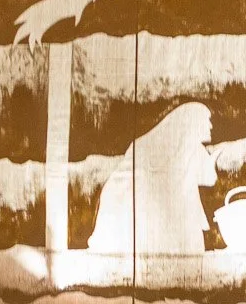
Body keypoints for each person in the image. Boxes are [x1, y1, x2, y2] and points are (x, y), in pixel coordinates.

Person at [85, 102, 217, 254]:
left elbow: (207, 179)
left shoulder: (188, 148)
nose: (210, 126)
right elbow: (208, 178)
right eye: (206, 120)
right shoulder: (186, 148)